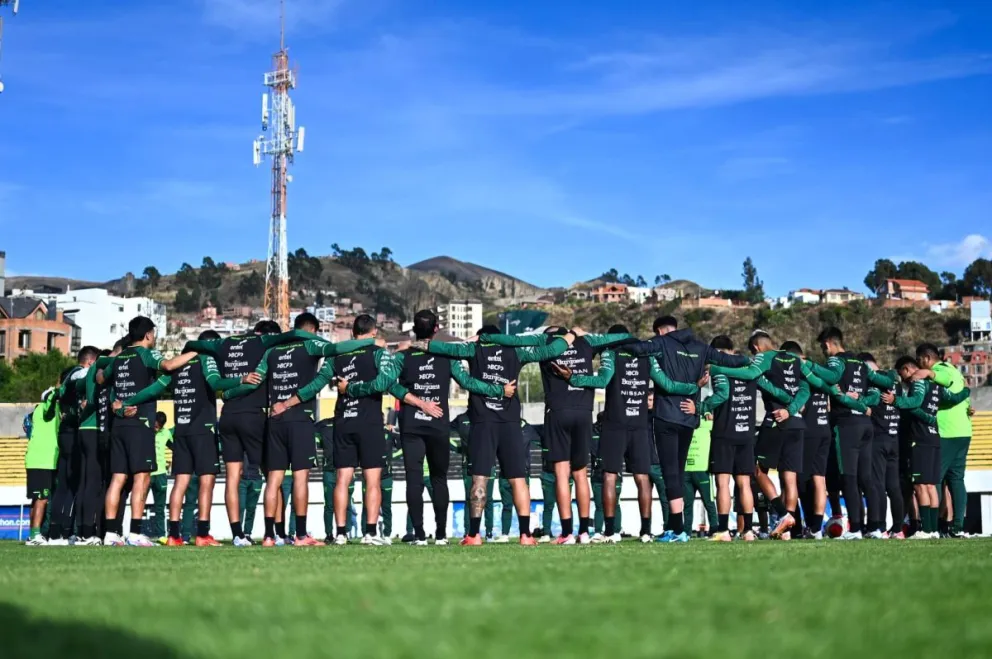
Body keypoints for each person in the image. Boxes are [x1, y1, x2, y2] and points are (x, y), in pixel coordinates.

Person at [183, 321, 366, 546]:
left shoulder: (249, 348)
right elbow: (334, 349)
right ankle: (293, 534)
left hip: (248, 417)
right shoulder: (285, 346)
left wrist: (229, 392)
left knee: (252, 478)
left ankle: (255, 535)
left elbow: (246, 378)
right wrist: (369, 342)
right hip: (278, 417)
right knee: (290, 477)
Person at [419, 326, 574, 545]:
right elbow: (548, 352)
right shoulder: (516, 351)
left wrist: (426, 343)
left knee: (480, 477)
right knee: (518, 480)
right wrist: (570, 336)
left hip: (483, 422)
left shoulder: (474, 350)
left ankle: (473, 535)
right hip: (511, 423)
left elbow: (439, 348)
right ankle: (525, 535)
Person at [376, 309, 512, 545]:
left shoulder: (403, 356)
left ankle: (419, 536)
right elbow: (468, 382)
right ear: (436, 329)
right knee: (439, 479)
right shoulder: (447, 357)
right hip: (438, 425)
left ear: (413, 330)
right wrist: (499, 390)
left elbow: (388, 384)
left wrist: (417, 403)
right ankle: (440, 535)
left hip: (411, 425)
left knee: (414, 480)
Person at [558, 323, 699, 544]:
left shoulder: (610, 353)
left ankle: (611, 530)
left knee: (609, 477)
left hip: (615, 424)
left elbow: (602, 380)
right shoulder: (647, 355)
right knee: (643, 478)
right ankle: (645, 532)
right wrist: (692, 387)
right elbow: (667, 384)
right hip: (640, 424)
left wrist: (573, 378)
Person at [622, 316, 749, 542]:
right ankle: (676, 527)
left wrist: (613, 341)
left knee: (670, 472)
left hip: (666, 417)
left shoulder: (660, 343)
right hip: (688, 418)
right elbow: (731, 362)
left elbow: (635, 348)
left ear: (660, 331)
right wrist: (757, 360)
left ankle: (678, 529)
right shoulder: (701, 348)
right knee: (677, 472)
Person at [279, 314, 393, 545]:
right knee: (372, 480)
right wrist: (354, 388)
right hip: (369, 422)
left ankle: (340, 533)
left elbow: (318, 383)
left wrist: (289, 401)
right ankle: (370, 533)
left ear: (352, 333)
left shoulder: (336, 355)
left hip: (342, 421)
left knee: (342, 478)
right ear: (373, 333)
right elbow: (385, 383)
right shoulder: (378, 353)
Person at [99, 316, 197, 546]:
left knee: (117, 478)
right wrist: (195, 353)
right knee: (142, 477)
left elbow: (101, 377)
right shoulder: (146, 354)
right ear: (148, 335)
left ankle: (111, 533)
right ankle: (134, 533)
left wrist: (117, 404)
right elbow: (169, 365)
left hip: (119, 424)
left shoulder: (120, 356)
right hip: (140, 423)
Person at [538, 326, 633, 544]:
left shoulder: (546, 345)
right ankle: (583, 532)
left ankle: (567, 533)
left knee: (562, 473)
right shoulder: (587, 343)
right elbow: (620, 337)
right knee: (581, 474)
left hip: (558, 412)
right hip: (584, 412)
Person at [705, 333, 804, 540]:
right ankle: (750, 530)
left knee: (724, 482)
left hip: (726, 432)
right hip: (748, 433)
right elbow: (773, 389)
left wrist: (701, 407)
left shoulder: (721, 372)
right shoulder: (753, 371)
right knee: (749, 482)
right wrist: (790, 402)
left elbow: (721, 394)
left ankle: (724, 530)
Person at [151, 329, 241, 546]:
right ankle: (202, 534)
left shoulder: (179, 364)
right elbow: (216, 383)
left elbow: (157, 387)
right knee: (206, 481)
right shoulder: (206, 359)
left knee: (180, 482)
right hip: (203, 429)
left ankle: (173, 535)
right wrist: (242, 379)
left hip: (181, 430)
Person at [886, 357, 970, 539]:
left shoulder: (918, 383)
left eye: (902, 374)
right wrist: (967, 390)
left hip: (920, 439)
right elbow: (954, 398)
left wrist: (895, 401)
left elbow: (914, 403)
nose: (904, 379)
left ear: (908, 370)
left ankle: (927, 530)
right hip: (934, 438)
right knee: (931, 485)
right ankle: (932, 531)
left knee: (920, 486)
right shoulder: (937, 386)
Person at [804, 327, 874, 540]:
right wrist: (863, 404)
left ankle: (855, 530)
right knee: (866, 480)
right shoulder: (860, 363)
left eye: (822, 347)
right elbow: (880, 385)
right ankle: (875, 528)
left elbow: (829, 380)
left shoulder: (835, 363)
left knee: (849, 479)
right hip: (865, 424)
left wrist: (807, 366)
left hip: (846, 425)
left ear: (827, 344)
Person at [916, 343, 973, 537]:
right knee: (957, 479)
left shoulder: (940, 370)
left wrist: (930, 375)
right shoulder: (956, 371)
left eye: (919, 361)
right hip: (964, 431)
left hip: (946, 432)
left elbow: (945, 381)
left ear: (926, 358)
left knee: (934, 479)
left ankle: (934, 526)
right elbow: (964, 397)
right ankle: (957, 526)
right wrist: (968, 407)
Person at [47, 347, 99, 544]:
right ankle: (62, 531)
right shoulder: (78, 373)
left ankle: (56, 532)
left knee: (65, 485)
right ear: (90, 362)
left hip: (65, 433)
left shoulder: (68, 375)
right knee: (71, 485)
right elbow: (86, 376)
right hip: (71, 433)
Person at [859, 353, 904, 539]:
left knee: (877, 485)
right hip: (894, 439)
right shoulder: (896, 383)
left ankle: (881, 527)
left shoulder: (873, 384)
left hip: (878, 439)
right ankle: (899, 529)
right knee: (894, 486)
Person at [451, 412, 496, 540]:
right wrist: (458, 449)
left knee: (488, 499)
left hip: (488, 463)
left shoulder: (489, 416)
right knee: (469, 499)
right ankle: (468, 532)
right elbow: (444, 431)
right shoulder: (461, 419)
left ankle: (489, 533)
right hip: (468, 465)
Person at [23, 387, 60, 545]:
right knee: (42, 498)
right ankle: (35, 535)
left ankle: (33, 534)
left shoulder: (39, 411)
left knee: (37, 499)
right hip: (42, 460)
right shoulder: (46, 408)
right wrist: (57, 392)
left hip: (39, 460)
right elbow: (51, 400)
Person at [316, 419, 357, 542]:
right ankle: (329, 534)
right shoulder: (323, 425)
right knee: (329, 505)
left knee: (347, 504)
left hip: (346, 470)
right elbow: (310, 432)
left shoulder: (350, 424)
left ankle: (345, 533)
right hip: (329, 471)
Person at [683, 417, 717, 537]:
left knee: (709, 502)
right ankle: (686, 532)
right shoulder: (683, 421)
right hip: (686, 469)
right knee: (687, 504)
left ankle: (714, 529)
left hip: (703, 469)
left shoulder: (707, 423)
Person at [144, 411, 171, 540]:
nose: (157, 427)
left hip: (161, 474)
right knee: (140, 503)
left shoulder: (166, 433)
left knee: (160, 507)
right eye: (155, 424)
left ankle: (161, 535)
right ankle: (135, 533)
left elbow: (175, 447)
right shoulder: (145, 430)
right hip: (146, 473)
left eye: (159, 425)